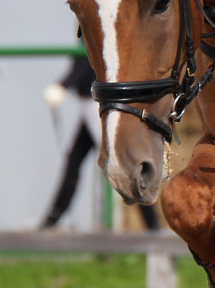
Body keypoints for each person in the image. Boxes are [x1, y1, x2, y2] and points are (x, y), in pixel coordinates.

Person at [39, 55, 159, 231]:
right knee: (74, 162)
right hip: (90, 105)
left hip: (99, 104)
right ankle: (51, 221)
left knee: (127, 167)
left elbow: (88, 59)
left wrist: (64, 84)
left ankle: (153, 227)